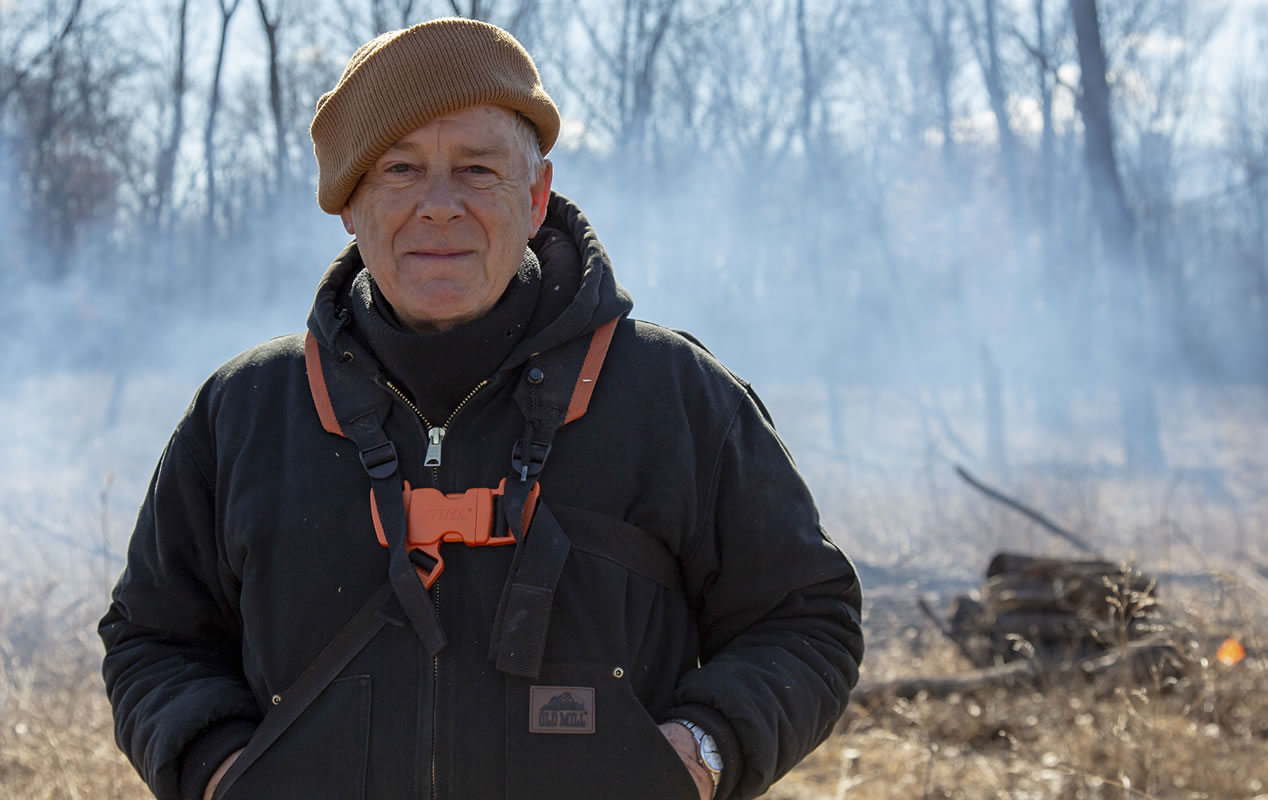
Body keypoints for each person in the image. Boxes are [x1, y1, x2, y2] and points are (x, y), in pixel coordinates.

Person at [99, 17, 862, 800]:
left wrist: (697, 755)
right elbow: (153, 639)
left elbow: (805, 616)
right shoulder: (244, 414)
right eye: (399, 169)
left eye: (476, 169)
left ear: (535, 197)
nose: (439, 206)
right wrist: (223, 773)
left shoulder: (674, 396)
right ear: (348, 206)